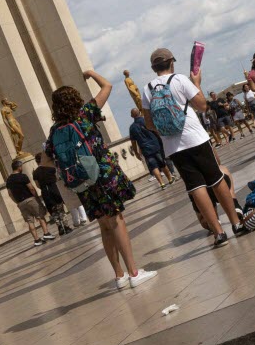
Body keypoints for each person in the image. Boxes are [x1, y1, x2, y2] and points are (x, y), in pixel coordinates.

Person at [49, 70, 158, 282]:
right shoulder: (85, 113)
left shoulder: (55, 130)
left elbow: (48, 159)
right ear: (75, 100)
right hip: (103, 174)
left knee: (104, 225)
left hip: (82, 182)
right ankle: (134, 273)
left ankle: (119, 275)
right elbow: (107, 86)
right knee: (117, 220)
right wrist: (89, 73)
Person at [143, 52, 243, 244]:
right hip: (195, 138)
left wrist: (167, 127)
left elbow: (149, 123)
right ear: (171, 63)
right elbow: (202, 105)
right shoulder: (179, 79)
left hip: (172, 146)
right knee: (215, 178)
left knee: (195, 186)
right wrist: (197, 83)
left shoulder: (147, 89)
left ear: (153, 68)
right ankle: (236, 223)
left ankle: (218, 233)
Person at [5, 158, 55, 245]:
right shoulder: (23, 176)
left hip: (21, 203)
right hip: (30, 199)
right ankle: (46, 233)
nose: (22, 168)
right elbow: (31, 188)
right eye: (21, 167)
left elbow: (10, 194)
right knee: (40, 216)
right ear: (19, 167)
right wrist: (36, 197)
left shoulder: (8, 180)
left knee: (29, 221)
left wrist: (17, 202)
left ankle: (36, 240)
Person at [126, 112, 174, 186]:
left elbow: (133, 142)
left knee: (153, 166)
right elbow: (156, 130)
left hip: (145, 149)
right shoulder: (147, 120)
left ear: (132, 116)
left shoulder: (132, 128)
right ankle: (170, 179)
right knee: (162, 163)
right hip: (155, 145)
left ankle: (162, 183)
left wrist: (136, 153)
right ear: (139, 113)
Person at [31, 162, 73, 234]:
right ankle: (66, 227)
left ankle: (60, 227)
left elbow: (37, 185)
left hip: (45, 192)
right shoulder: (51, 168)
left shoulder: (35, 173)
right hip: (54, 189)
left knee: (52, 210)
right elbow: (56, 178)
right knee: (60, 208)